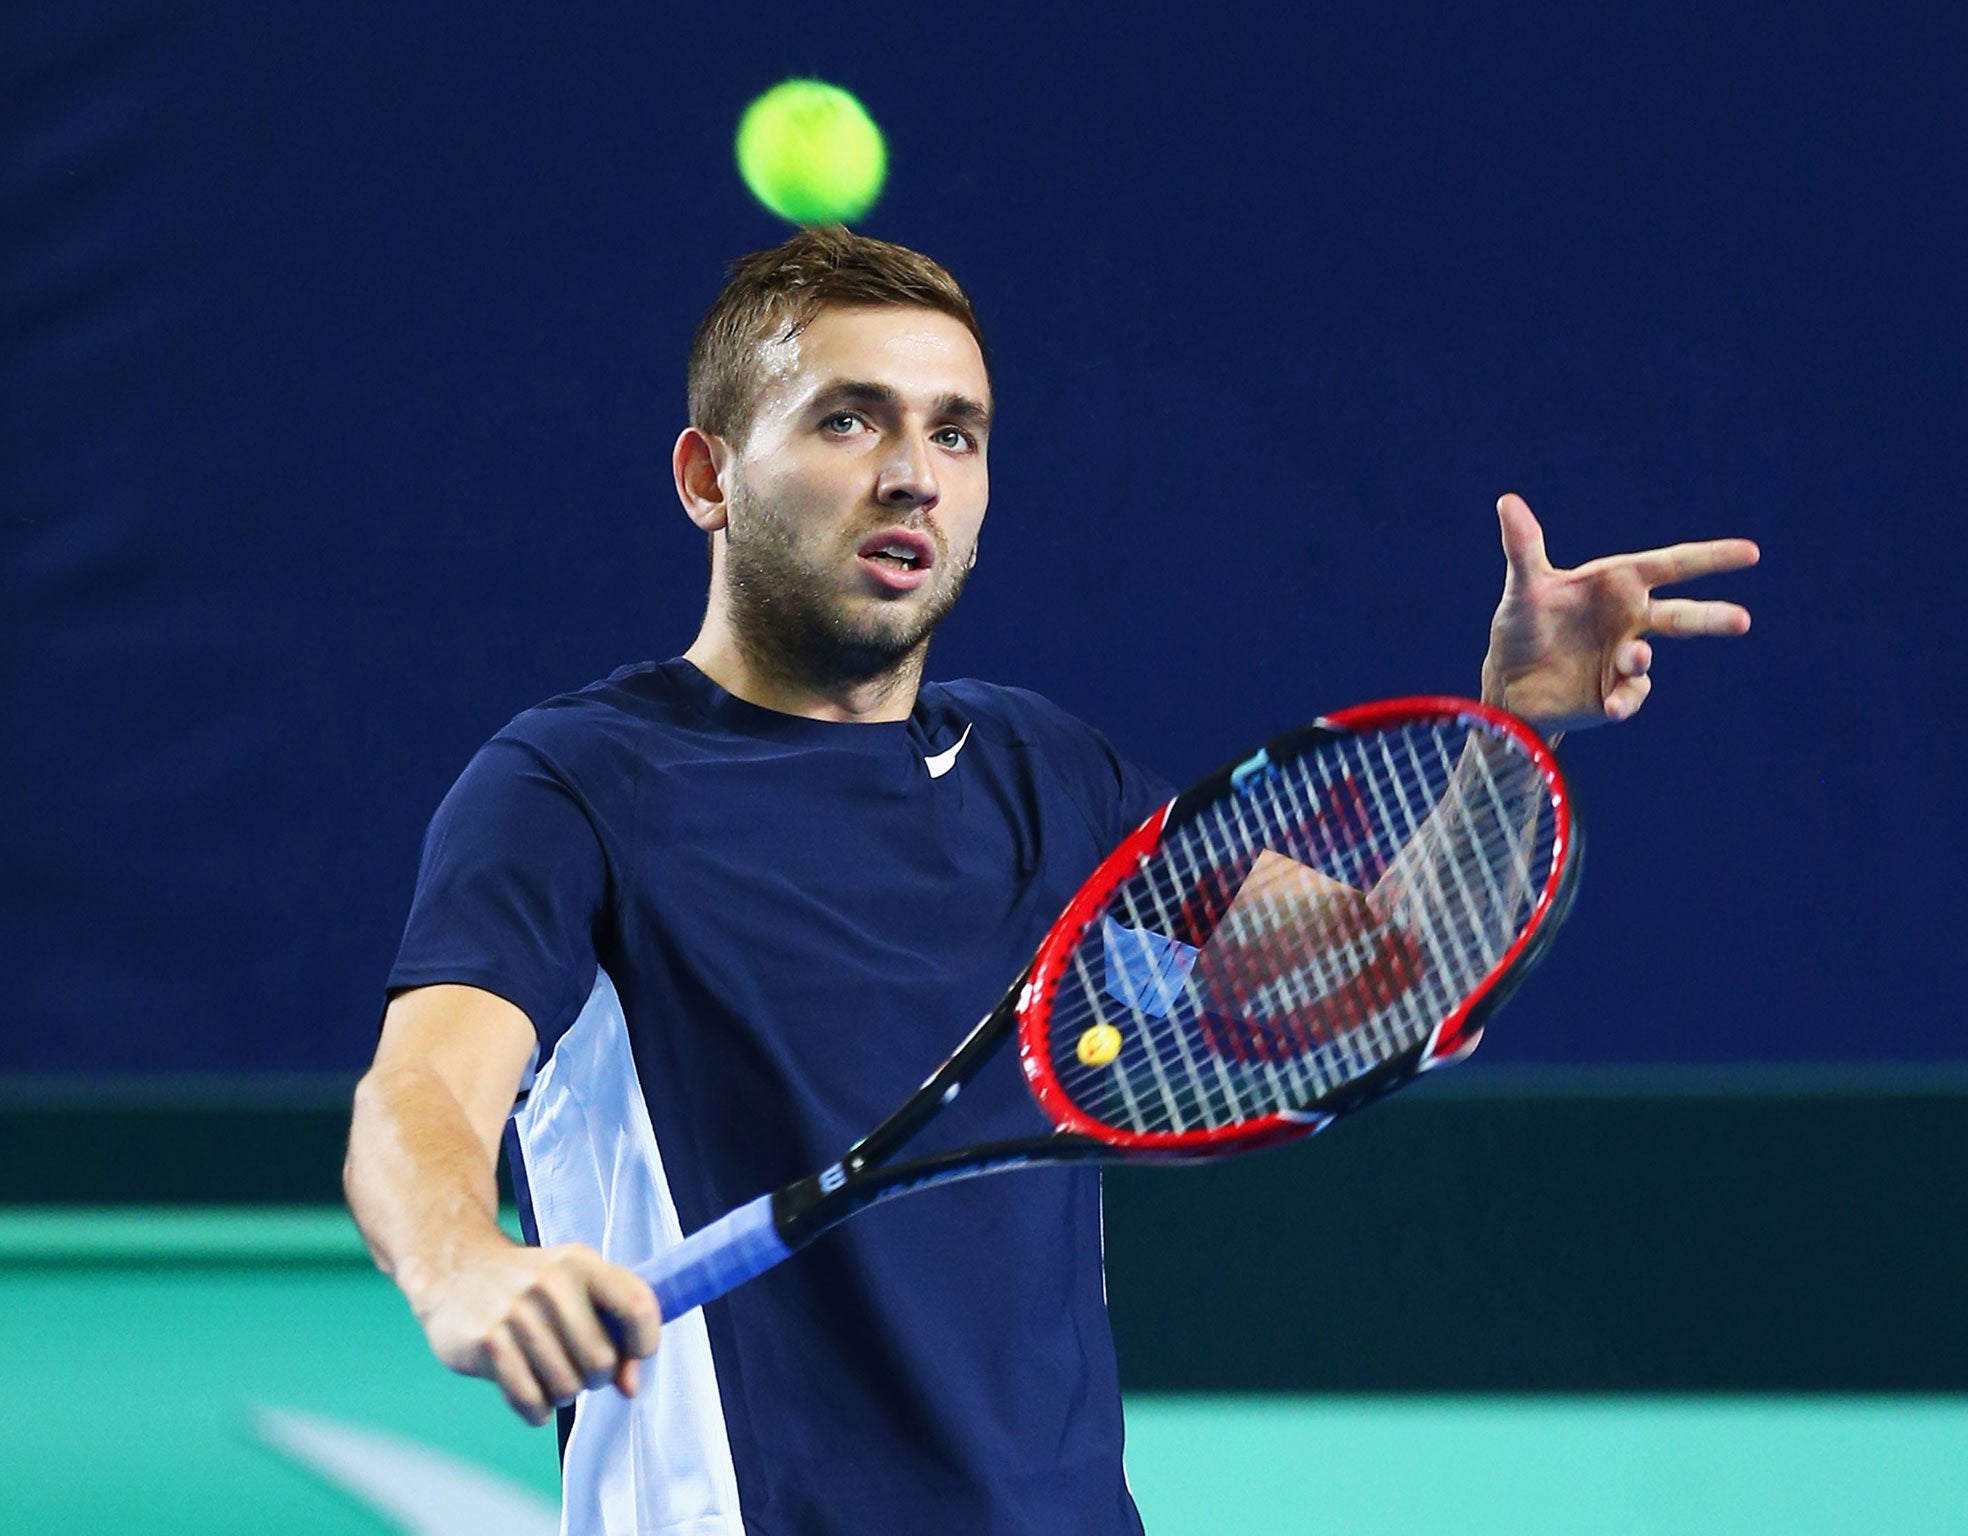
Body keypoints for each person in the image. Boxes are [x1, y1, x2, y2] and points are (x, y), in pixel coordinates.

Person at [343, 225, 1758, 1535]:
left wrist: (1511, 731)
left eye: (955, 434)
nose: (914, 472)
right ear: (709, 477)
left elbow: (1377, 990)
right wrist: (466, 1262)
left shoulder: (1044, 769)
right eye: (851, 419)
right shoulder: (575, 784)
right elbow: (421, 1094)